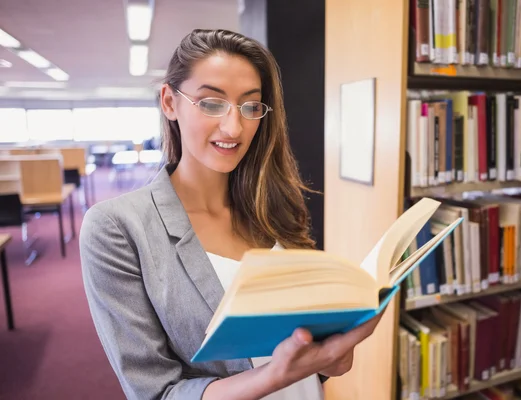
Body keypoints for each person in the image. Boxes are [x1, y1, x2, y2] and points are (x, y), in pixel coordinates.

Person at [79, 29, 384, 400]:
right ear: (169, 102)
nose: (233, 127)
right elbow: (156, 394)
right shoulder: (118, 227)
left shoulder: (273, 208)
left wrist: (330, 360)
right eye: (210, 103)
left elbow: (306, 354)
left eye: (250, 106)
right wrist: (275, 375)